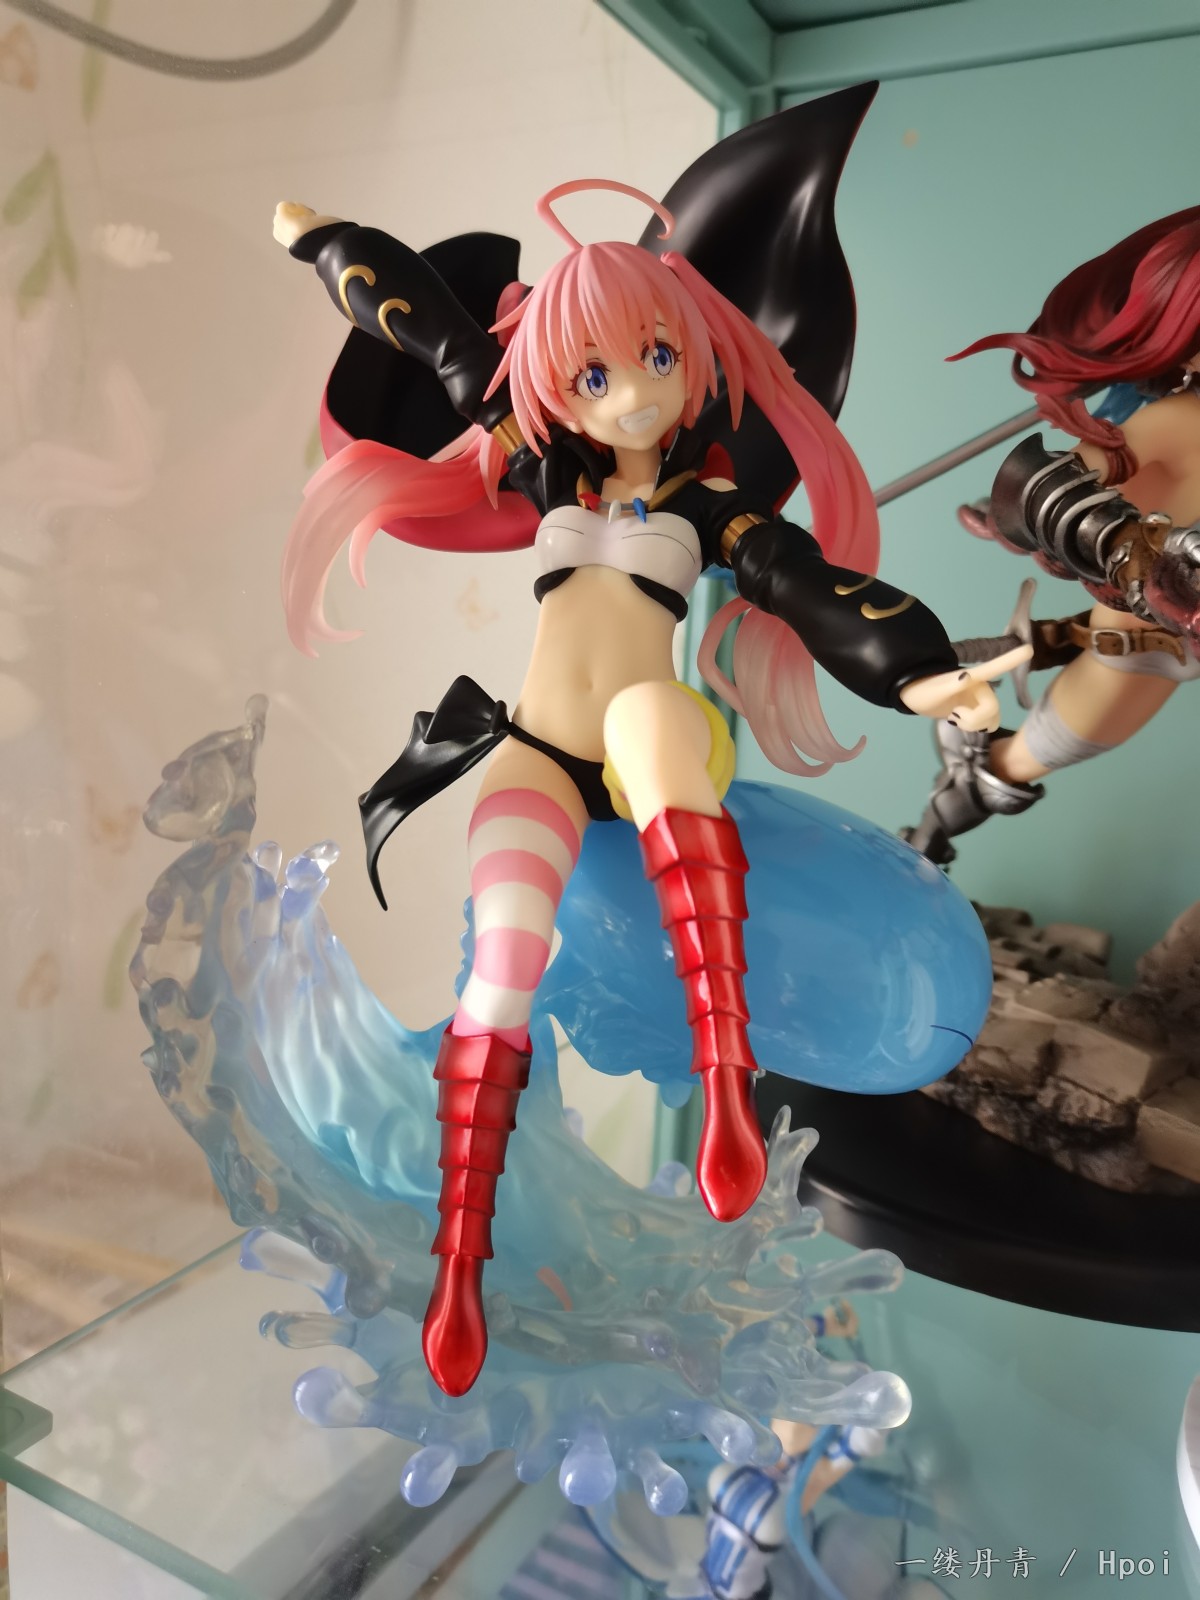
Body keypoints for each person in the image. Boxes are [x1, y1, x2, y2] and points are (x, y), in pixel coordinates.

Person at [274, 96, 1018, 1397]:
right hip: (538, 749)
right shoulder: (538, 464)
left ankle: (725, 1077)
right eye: (595, 375)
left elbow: (816, 590)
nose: (630, 393)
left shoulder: (708, 499)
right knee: (500, 973)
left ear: (696, 354)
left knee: (651, 714)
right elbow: (430, 329)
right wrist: (323, 241)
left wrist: (924, 675)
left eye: (657, 358)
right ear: (556, 381)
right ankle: (460, 1257)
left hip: (649, 751)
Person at [904, 209, 1200, 864]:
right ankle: (934, 829)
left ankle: (1025, 654)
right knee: (1021, 761)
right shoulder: (1176, 421)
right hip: (1150, 642)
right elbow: (1053, 481)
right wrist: (1121, 545)